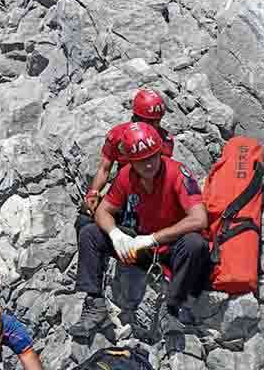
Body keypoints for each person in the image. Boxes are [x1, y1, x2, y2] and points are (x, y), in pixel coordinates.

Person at [68, 122, 210, 338]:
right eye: (142, 161)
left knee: (194, 244)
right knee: (90, 233)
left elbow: (199, 219)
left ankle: (173, 307)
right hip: (141, 246)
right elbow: (103, 211)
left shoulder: (178, 173)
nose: (149, 165)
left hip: (171, 250)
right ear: (132, 162)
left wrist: (153, 238)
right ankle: (95, 303)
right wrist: (116, 235)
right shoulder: (127, 176)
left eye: (153, 157)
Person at [82, 88, 174, 215]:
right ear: (136, 117)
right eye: (150, 121)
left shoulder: (165, 140)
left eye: (158, 120)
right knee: (86, 217)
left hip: (152, 193)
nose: (155, 125)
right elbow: (104, 168)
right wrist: (93, 192)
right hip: (123, 188)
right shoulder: (117, 136)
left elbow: (165, 173)